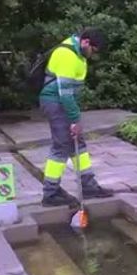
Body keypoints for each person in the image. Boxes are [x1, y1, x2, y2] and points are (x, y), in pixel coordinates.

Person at [39, 28, 114, 207]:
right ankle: (50, 193)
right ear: (85, 42)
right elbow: (65, 93)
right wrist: (74, 119)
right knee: (61, 145)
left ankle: (88, 184)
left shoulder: (77, 53)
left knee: (77, 143)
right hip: (55, 102)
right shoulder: (66, 54)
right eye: (93, 50)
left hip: (62, 102)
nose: (93, 55)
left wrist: (75, 119)